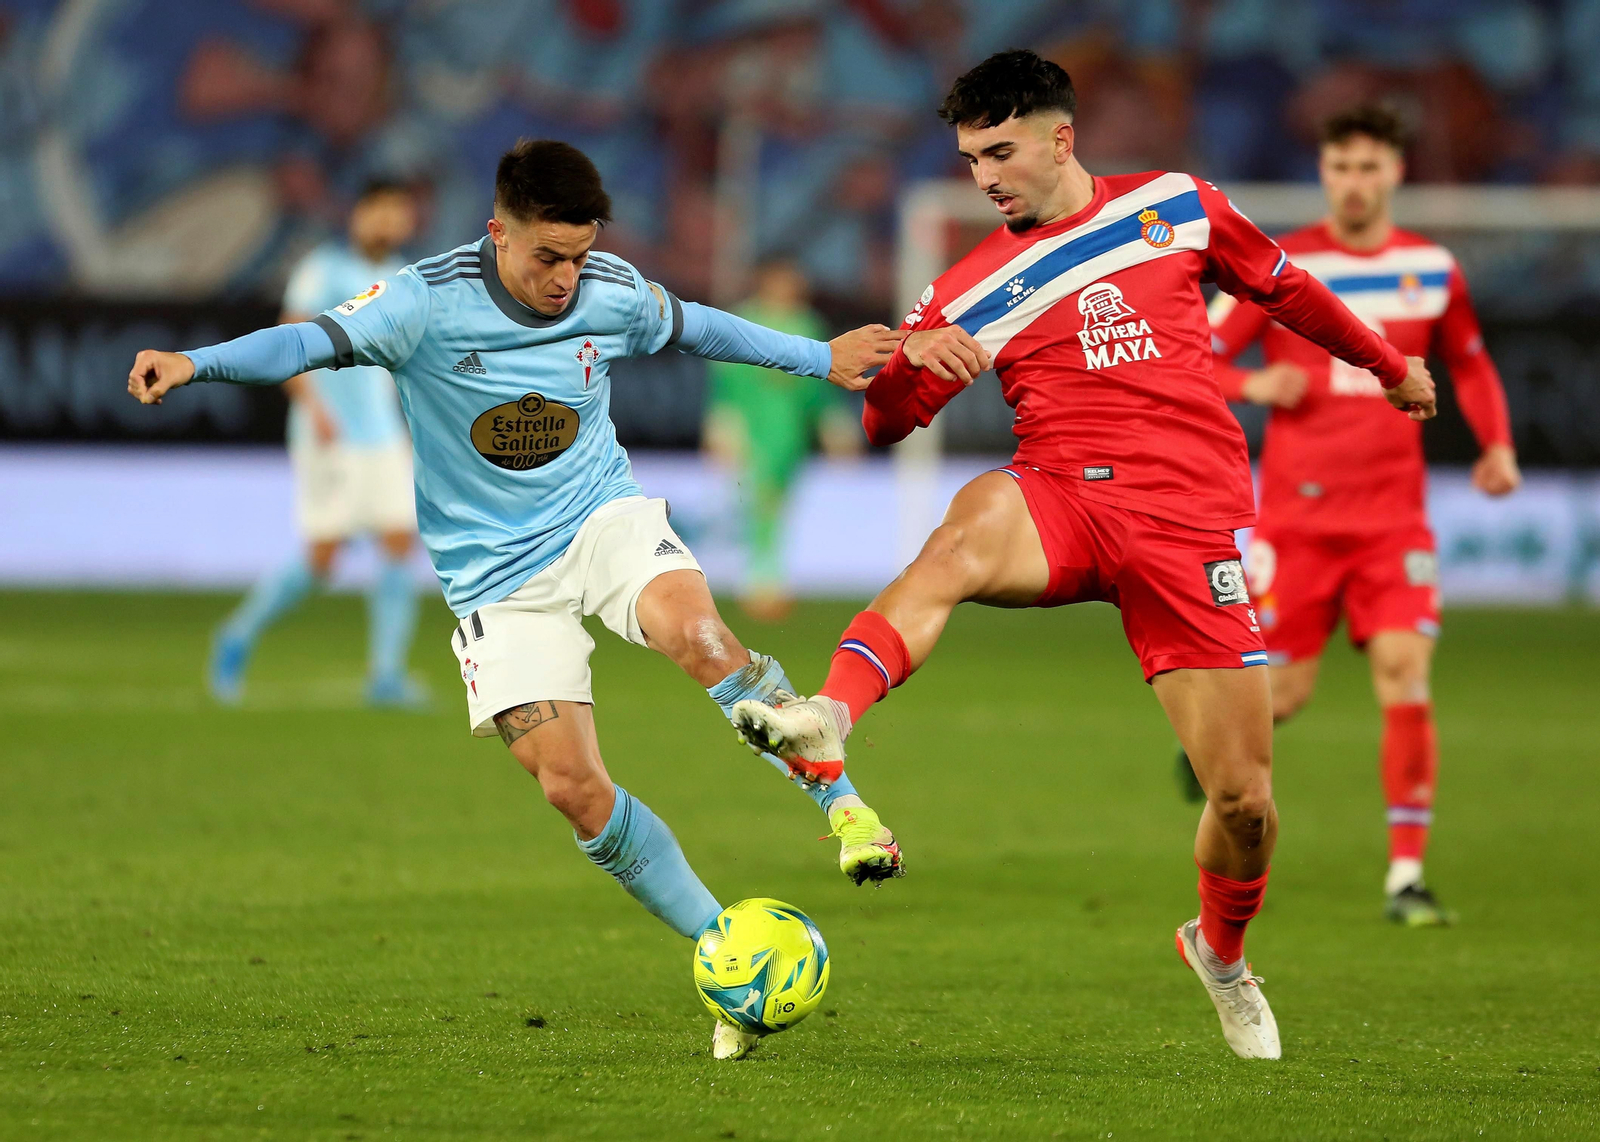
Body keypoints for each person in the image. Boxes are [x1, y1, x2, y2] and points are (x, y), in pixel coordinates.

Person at [128, 139, 907, 1060]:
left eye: (578, 256)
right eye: (547, 256)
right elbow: (308, 341)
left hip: (600, 519)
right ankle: (723, 952)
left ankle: (846, 811)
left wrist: (820, 358)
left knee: (699, 635)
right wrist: (194, 362)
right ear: (498, 232)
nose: (565, 279)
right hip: (494, 576)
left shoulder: (607, 288)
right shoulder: (423, 302)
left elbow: (701, 327)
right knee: (572, 788)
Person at [730, 51, 1439, 1061]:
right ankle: (829, 710)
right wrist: (905, 363)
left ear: (1061, 138)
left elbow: (1287, 292)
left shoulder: (1175, 205)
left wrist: (1385, 364)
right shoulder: (968, 283)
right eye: (971, 156)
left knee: (1242, 800)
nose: (984, 175)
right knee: (963, 530)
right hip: (1060, 494)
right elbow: (890, 425)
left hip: (1187, 527)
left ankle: (1220, 952)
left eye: (1000, 151)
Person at [1175, 105, 1518, 927]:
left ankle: (1406, 877)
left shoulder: (1431, 268)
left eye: (1369, 168)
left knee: (1406, 675)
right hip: (1296, 526)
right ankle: (1214, 759)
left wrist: (1497, 445)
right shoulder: (1288, 269)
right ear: (1323, 174)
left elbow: (1468, 363)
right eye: (1340, 168)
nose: (1354, 184)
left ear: (1395, 174)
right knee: (1282, 694)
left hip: (1395, 525)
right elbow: (1198, 355)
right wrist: (1257, 387)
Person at [209, 180, 426, 707]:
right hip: (330, 436)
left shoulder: (402, 280)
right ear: (358, 213)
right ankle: (237, 635)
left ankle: (386, 675)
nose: (391, 223)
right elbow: (286, 343)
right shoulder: (323, 268)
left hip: (382, 435)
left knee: (400, 541)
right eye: (382, 211)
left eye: (400, 214)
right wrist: (315, 409)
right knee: (323, 557)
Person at [703, 259, 862, 621]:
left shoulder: (807, 324)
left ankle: (767, 579)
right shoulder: (742, 321)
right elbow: (725, 381)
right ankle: (762, 583)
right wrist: (721, 422)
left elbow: (823, 386)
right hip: (753, 427)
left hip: (790, 432)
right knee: (762, 502)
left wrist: (833, 424)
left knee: (777, 503)